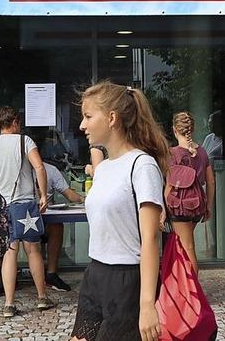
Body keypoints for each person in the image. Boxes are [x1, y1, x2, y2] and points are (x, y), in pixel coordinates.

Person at [71, 82, 168, 341]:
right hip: (96, 275)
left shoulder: (142, 165)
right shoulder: (103, 168)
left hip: (128, 281)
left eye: (88, 116)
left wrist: (147, 304)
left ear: (112, 118)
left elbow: (149, 239)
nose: (82, 125)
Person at [0, 106, 55, 318]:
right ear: (14, 122)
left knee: (10, 252)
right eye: (18, 123)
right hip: (25, 204)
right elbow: (39, 167)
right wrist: (42, 194)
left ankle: (9, 304)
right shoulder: (24, 141)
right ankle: (41, 297)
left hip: (4, 206)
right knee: (33, 251)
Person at [162, 111, 215, 275]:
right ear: (192, 129)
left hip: (179, 207)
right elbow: (211, 181)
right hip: (196, 206)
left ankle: (193, 290)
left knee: (187, 247)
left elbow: (170, 186)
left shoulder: (173, 153)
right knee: (184, 246)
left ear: (174, 130)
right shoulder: (202, 152)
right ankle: (183, 285)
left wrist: (163, 209)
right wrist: (208, 206)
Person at [41, 162, 82, 292]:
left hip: (46, 219)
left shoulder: (50, 170)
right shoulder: (14, 168)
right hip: (21, 216)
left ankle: (51, 274)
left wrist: (85, 199)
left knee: (56, 226)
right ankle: (1, 274)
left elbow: (69, 194)